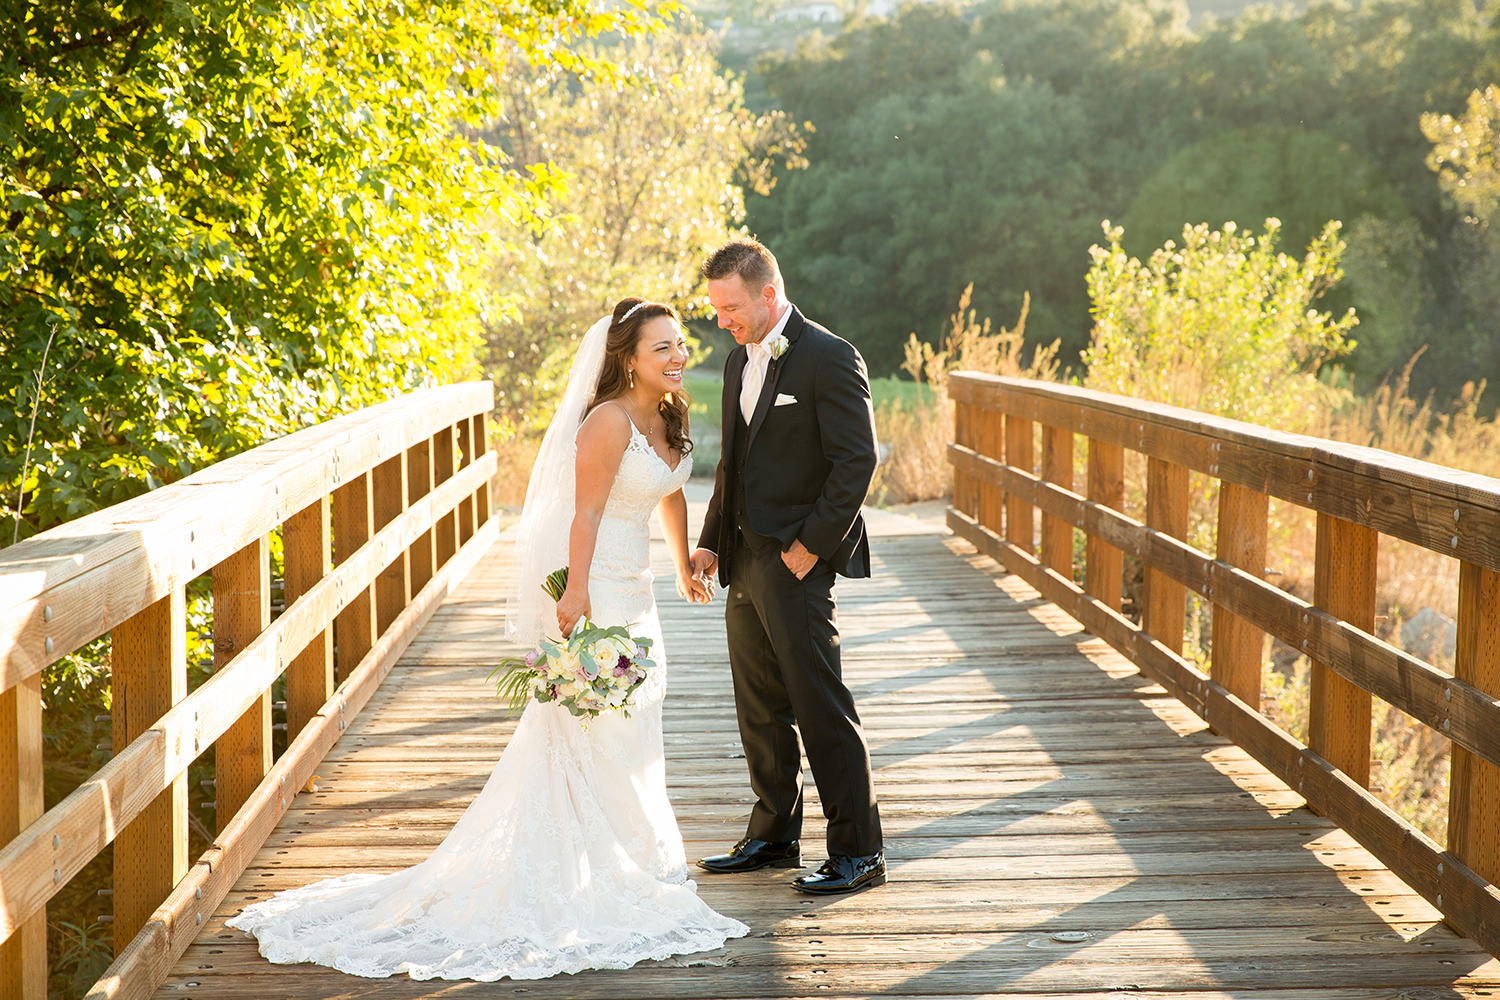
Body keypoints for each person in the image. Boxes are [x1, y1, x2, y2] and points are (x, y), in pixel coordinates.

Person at [227, 298, 748, 980]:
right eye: (663, 348)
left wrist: (683, 564)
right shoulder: (606, 422)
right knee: (595, 727)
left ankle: (629, 858)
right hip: (601, 592)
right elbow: (585, 513)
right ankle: (588, 870)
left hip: (643, 593)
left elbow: (672, 492)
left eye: (680, 345)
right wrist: (576, 592)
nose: (679, 356)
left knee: (635, 723)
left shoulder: (670, 414)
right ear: (626, 359)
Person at [689, 238, 885, 895]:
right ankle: (773, 835)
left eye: (732, 306)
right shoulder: (734, 361)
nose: (723, 319)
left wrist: (810, 549)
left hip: (797, 561)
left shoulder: (831, 358)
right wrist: (711, 541)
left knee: (819, 703)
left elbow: (857, 461)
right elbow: (731, 465)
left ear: (769, 294)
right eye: (716, 308)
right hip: (743, 558)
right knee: (758, 705)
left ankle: (860, 851)